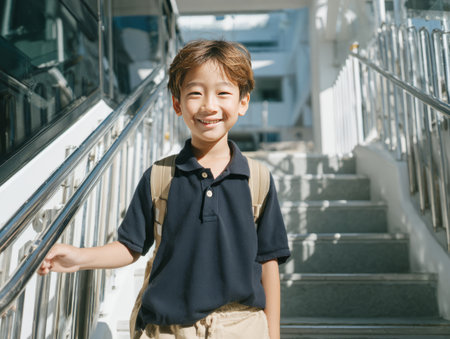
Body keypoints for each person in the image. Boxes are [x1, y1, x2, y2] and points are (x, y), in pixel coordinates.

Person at [38, 40, 290, 339]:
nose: (209, 105)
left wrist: (272, 333)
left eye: (223, 93)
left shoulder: (256, 179)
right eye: (195, 93)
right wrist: (79, 257)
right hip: (168, 330)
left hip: (241, 327)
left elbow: (268, 262)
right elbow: (130, 247)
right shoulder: (159, 176)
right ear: (177, 104)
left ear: (243, 102)